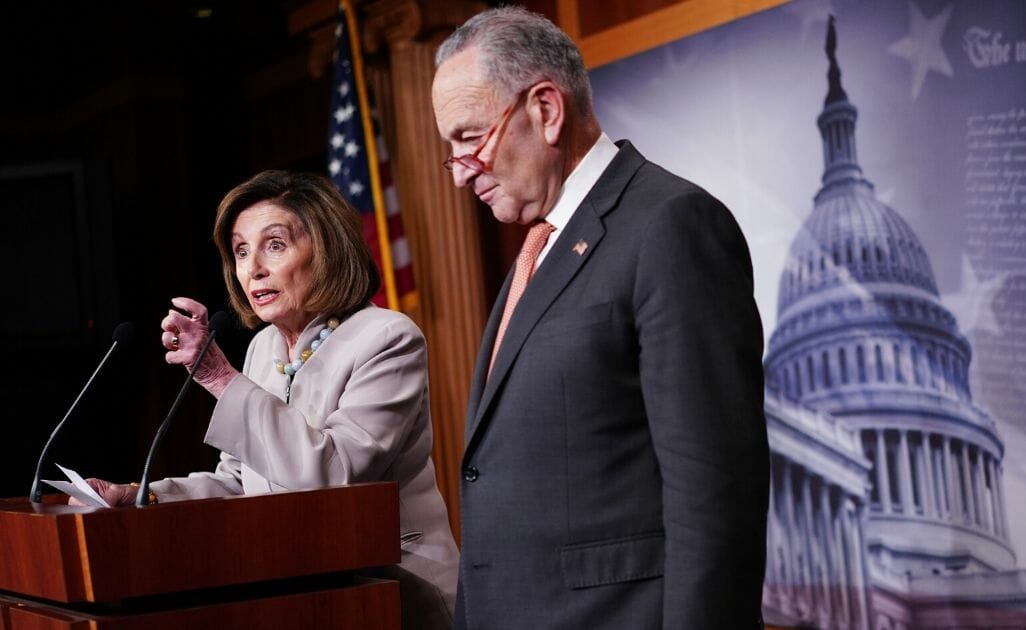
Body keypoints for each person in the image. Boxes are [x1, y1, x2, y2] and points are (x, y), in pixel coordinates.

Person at [431, 7, 768, 629]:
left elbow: (713, 496)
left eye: (470, 137)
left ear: (546, 110)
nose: (460, 172)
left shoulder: (671, 225)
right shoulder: (540, 248)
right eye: (450, 149)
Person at [77, 170, 458, 629]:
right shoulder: (264, 348)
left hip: (393, 590)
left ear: (328, 248)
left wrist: (220, 378)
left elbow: (336, 476)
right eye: (240, 251)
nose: (252, 268)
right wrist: (144, 496)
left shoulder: (387, 338)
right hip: (297, 588)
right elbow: (241, 484)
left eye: (274, 245)